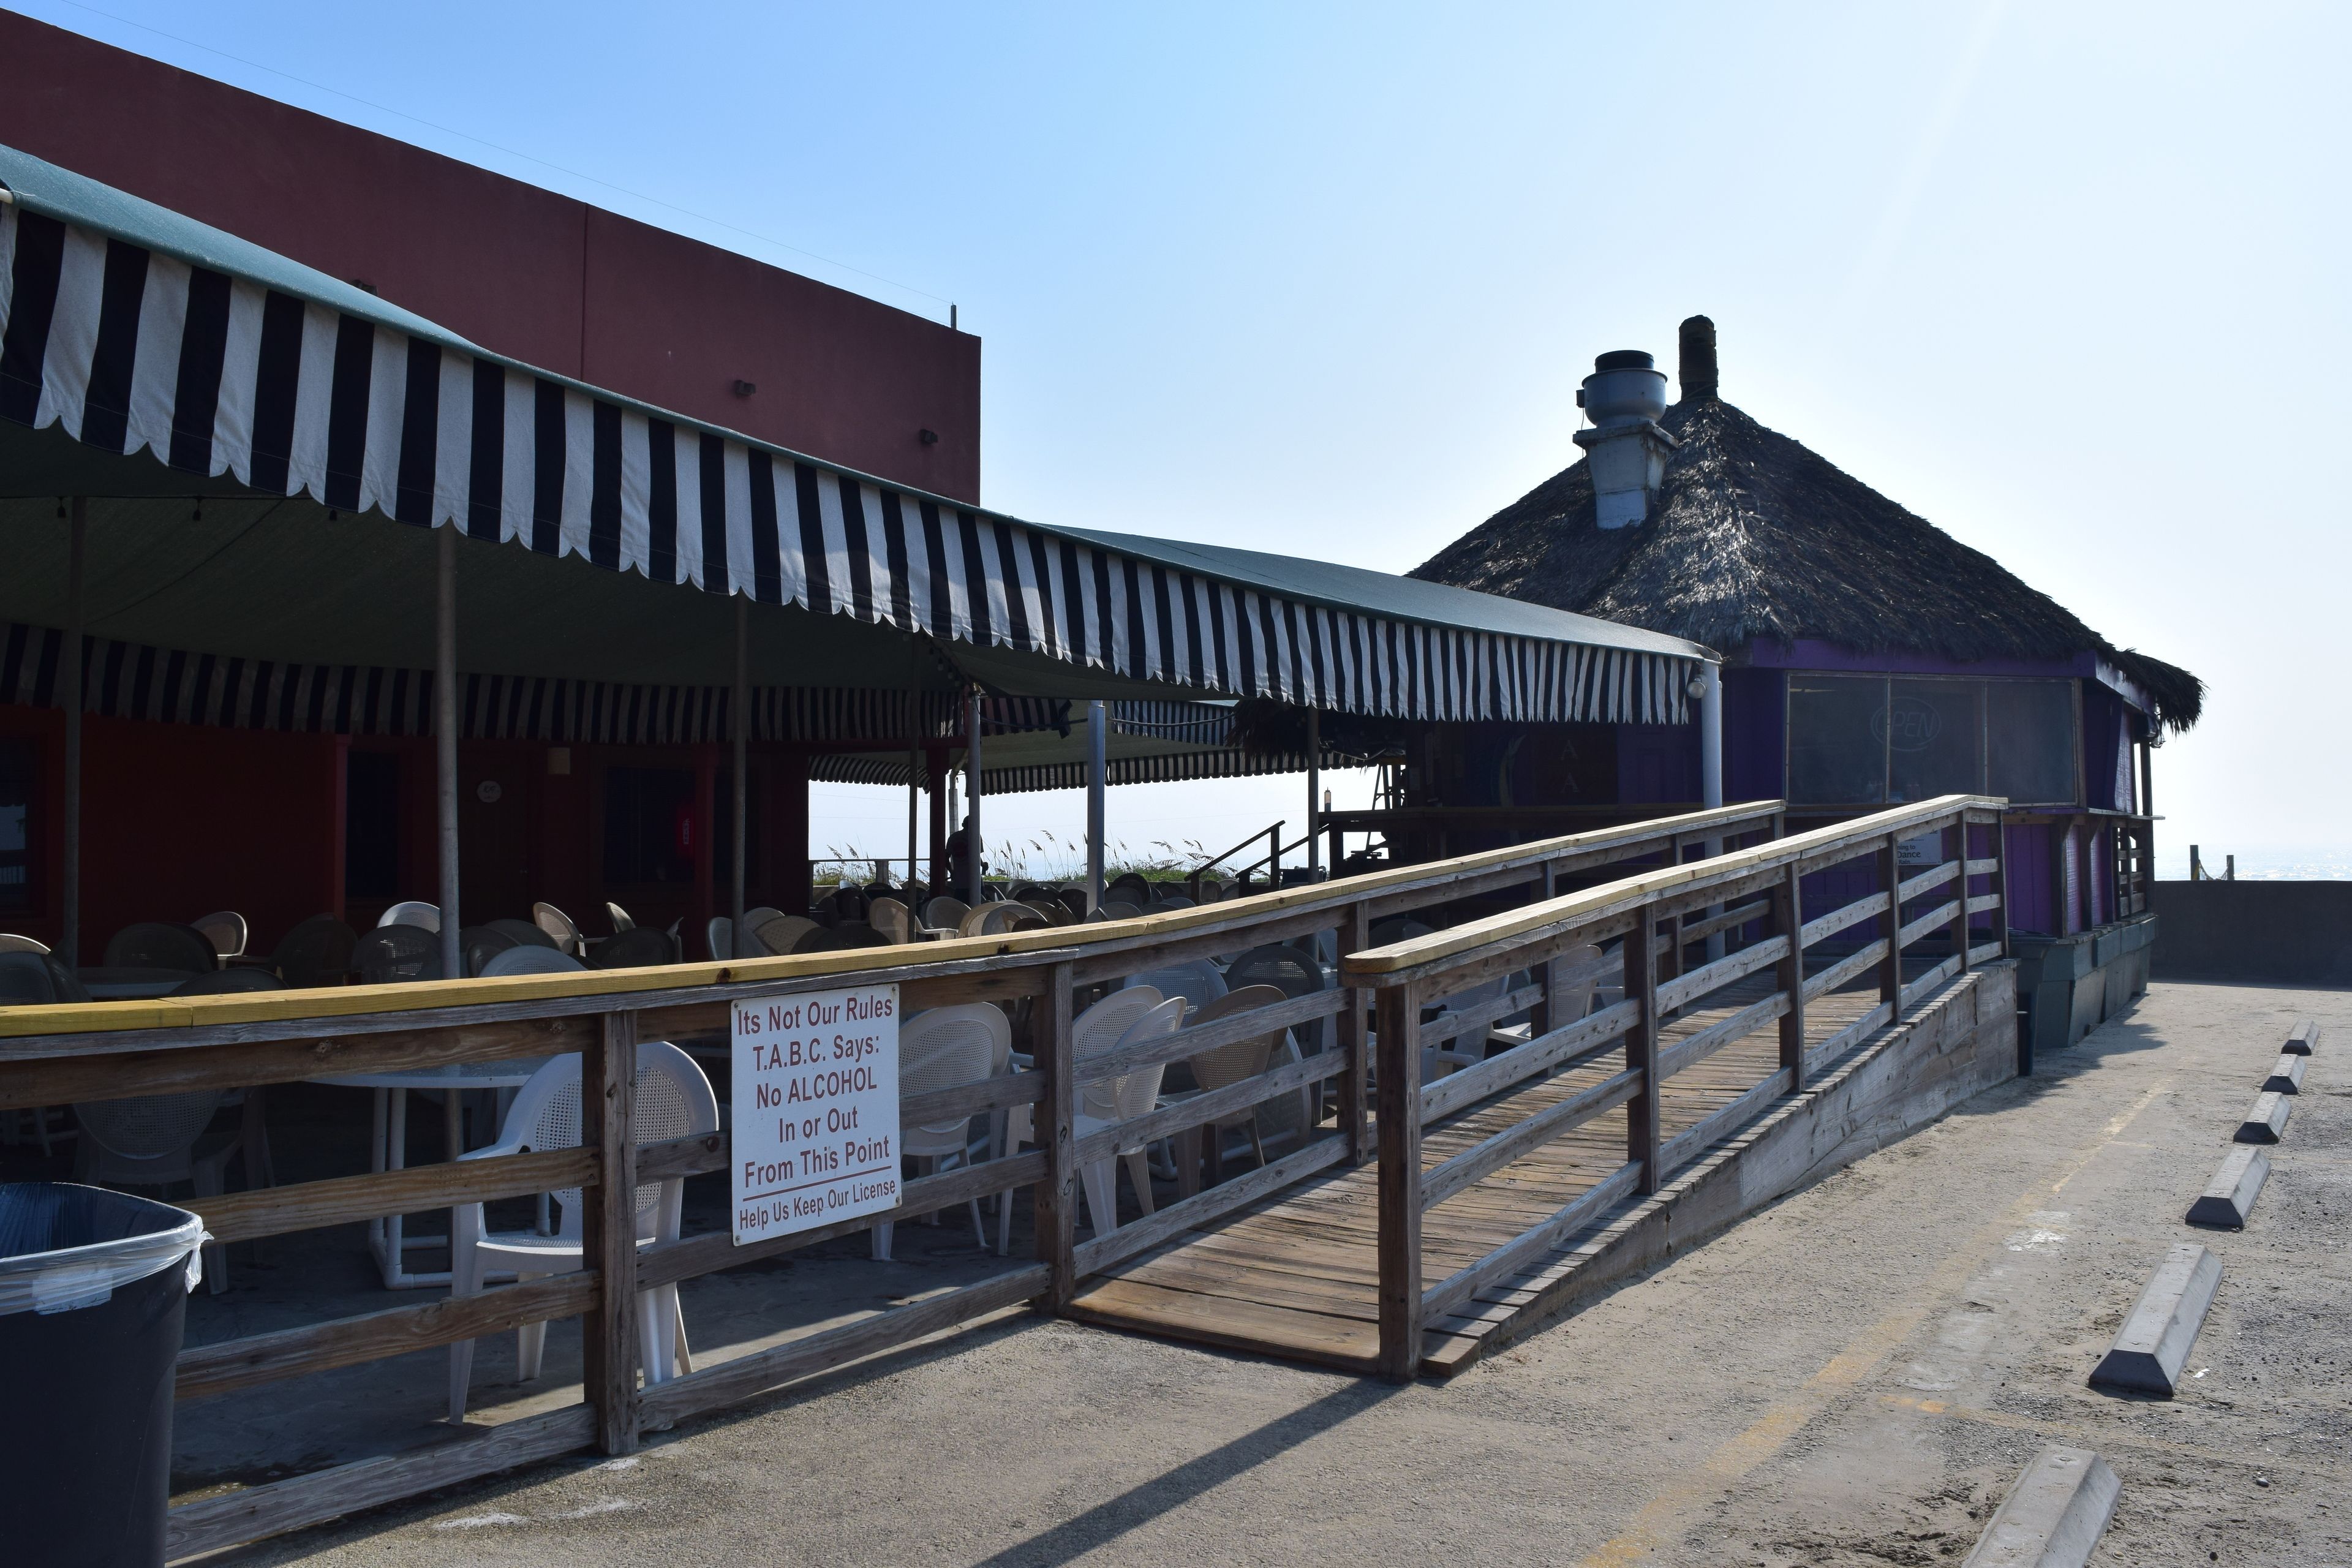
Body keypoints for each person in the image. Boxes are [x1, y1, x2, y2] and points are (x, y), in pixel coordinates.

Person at [944, 815, 984, 895]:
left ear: (963, 825)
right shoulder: (976, 836)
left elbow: (945, 858)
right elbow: (976, 856)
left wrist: (952, 872)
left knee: (959, 906)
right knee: (981, 906)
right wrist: (983, 865)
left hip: (959, 882)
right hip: (975, 882)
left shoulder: (953, 837)